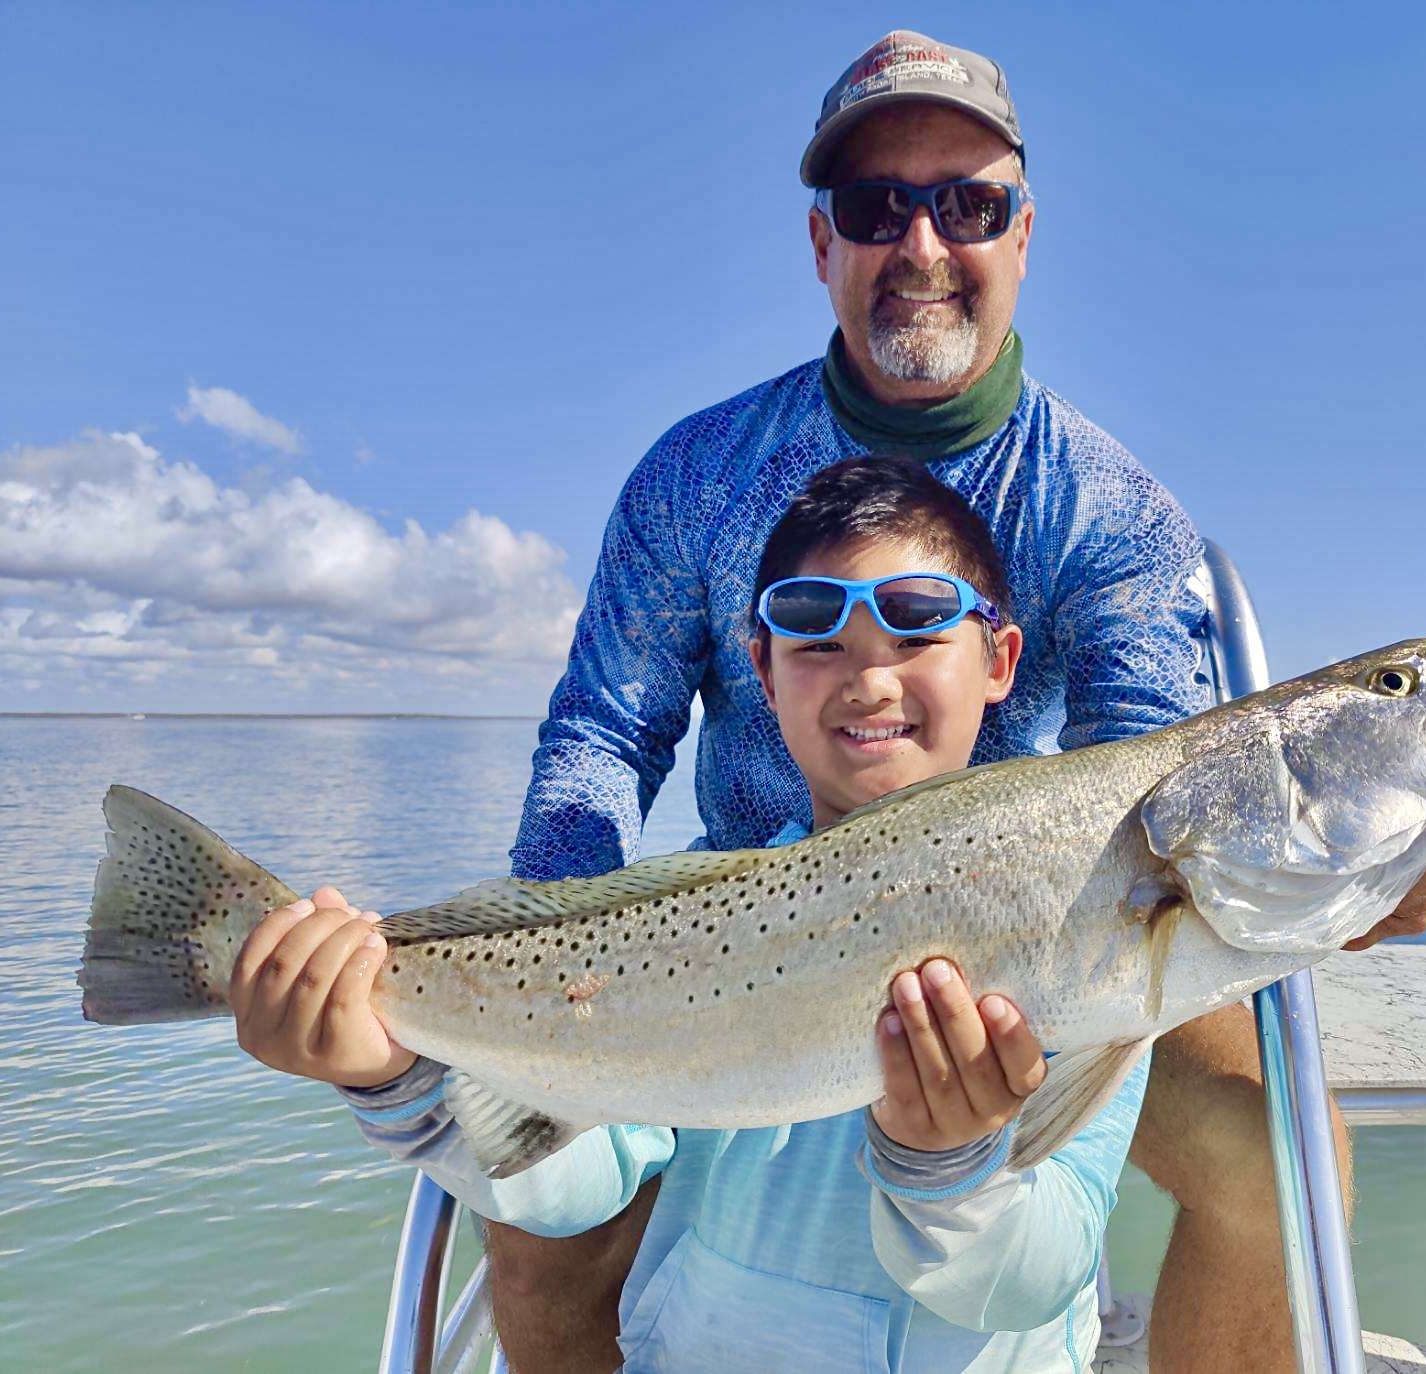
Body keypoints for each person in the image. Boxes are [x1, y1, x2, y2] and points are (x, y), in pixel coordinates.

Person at [239, 29, 1426, 1374]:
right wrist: (560, 965)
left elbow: (1152, 781)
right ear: (823, 241)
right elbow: (603, 731)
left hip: (1031, 918)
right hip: (742, 908)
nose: (920, 244)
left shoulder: (1112, 508)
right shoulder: (695, 471)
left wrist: (1316, 869)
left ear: (1022, 232)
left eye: (966, 203)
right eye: (876, 206)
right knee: (532, 1219)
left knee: (1278, 1152)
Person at [234, 455, 1150, 1371]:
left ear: (999, 661)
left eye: (916, 628)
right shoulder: (693, 911)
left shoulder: (1091, 918)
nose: (870, 681)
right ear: (762, 672)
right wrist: (395, 1079)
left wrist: (949, 1171)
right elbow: (574, 1184)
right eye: (816, 639)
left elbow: (1036, 1278)